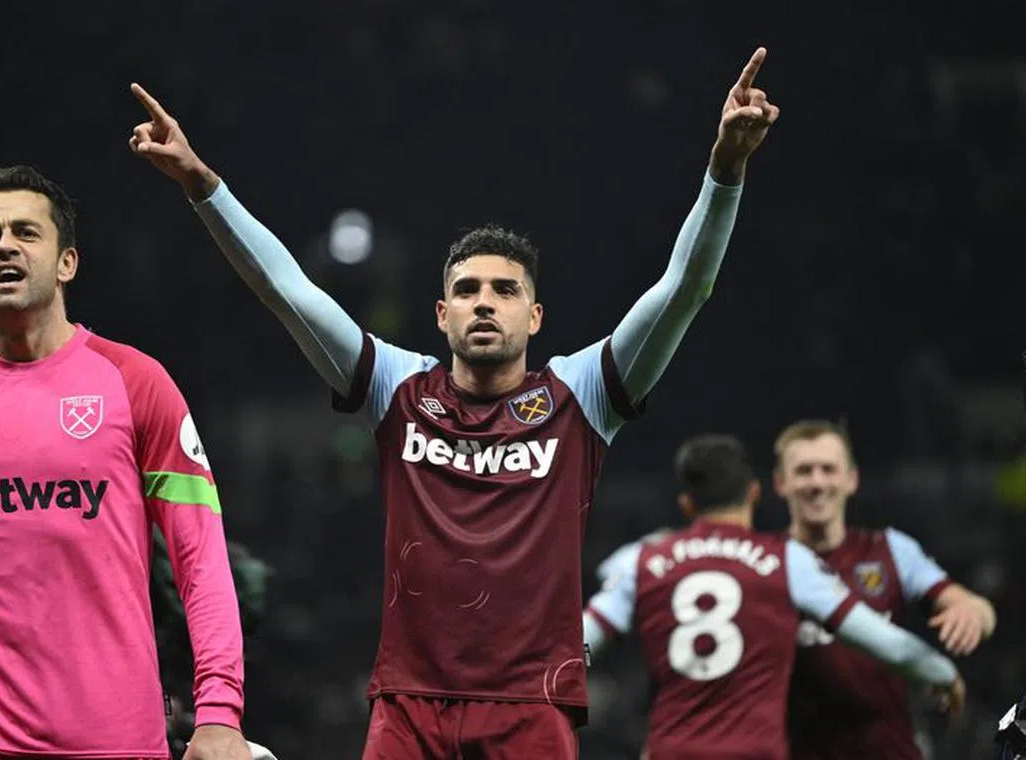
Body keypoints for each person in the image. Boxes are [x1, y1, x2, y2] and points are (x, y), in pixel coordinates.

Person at [130, 46, 779, 758]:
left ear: (535, 317)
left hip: (533, 706)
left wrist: (726, 170)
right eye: (467, 290)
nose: (485, 304)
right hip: (408, 708)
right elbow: (287, 292)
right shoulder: (398, 388)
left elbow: (684, 290)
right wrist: (202, 184)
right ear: (441, 315)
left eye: (505, 291)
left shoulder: (582, 394)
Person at [0, 166, 252, 760]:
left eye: (26, 232)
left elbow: (201, 559)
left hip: (110, 741)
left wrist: (219, 712)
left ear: (67, 264)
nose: (5, 244)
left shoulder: (137, 383)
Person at [582, 434, 963, 760]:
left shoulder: (642, 562)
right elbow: (885, 643)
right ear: (754, 493)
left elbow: (578, 646)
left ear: (687, 504)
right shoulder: (787, 561)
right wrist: (942, 673)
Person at [773, 419, 996, 759]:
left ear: (851, 479)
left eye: (828, 469)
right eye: (804, 471)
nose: (817, 482)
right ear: (781, 483)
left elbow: (974, 607)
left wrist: (971, 612)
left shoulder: (891, 549)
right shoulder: (763, 561)